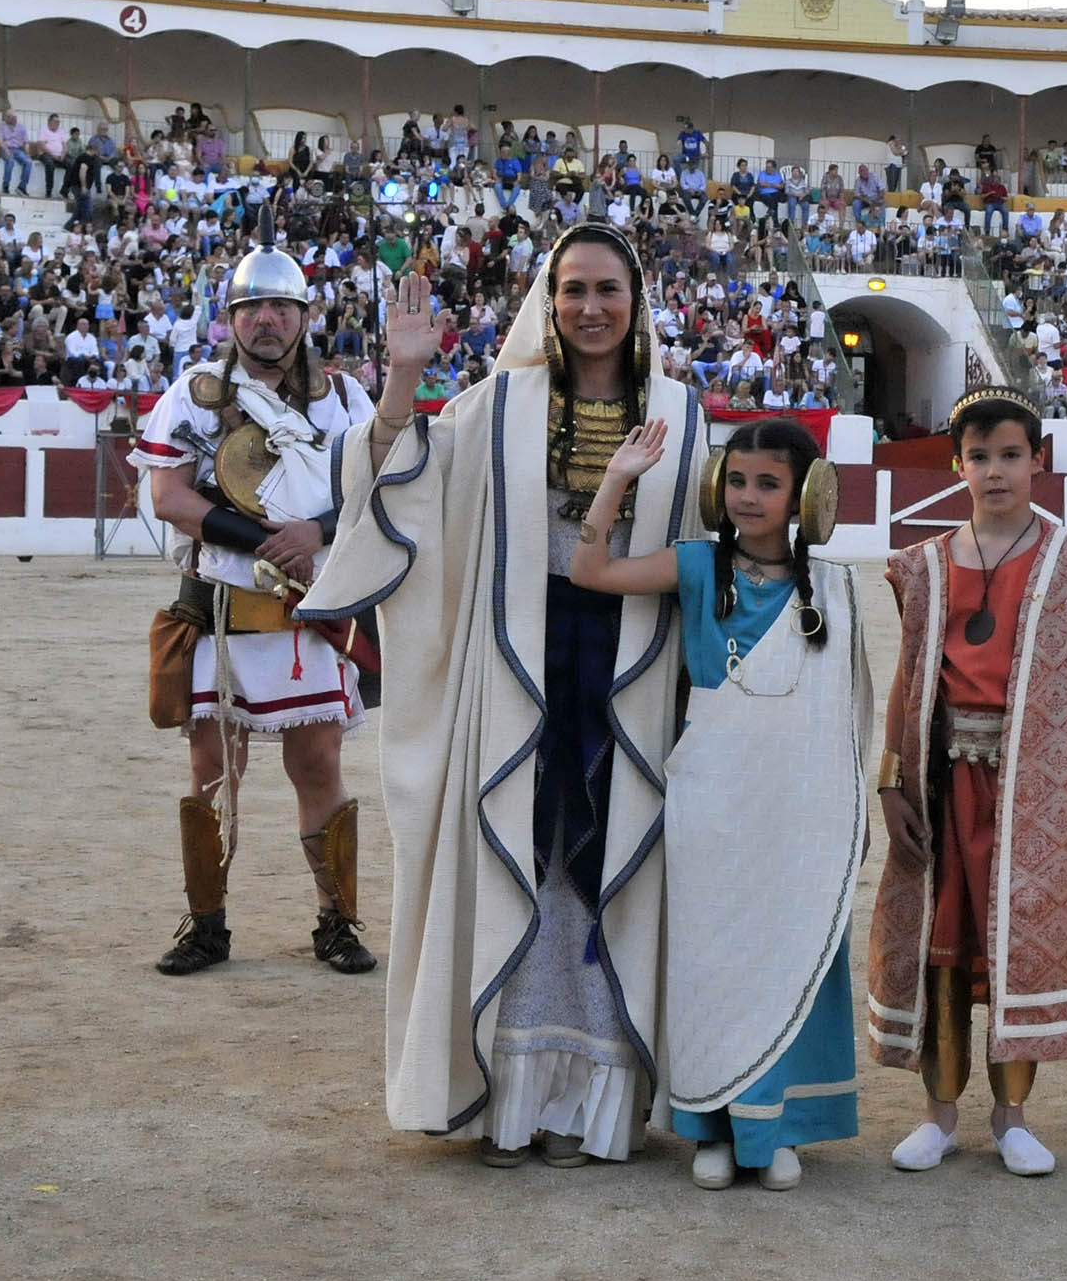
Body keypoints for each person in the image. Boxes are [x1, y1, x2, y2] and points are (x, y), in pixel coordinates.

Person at [294, 222, 705, 1166]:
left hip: (632, 670)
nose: (591, 308)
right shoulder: (495, 406)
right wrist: (403, 380)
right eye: (572, 291)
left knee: (605, 868)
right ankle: (509, 1096)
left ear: (636, 302)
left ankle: (590, 1103)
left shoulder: (682, 414)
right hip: (512, 666)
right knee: (518, 852)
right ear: (547, 303)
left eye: (608, 290)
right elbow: (397, 488)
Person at [868, 387, 1067, 1177]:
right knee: (943, 948)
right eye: (978, 457)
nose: (995, 471)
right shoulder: (923, 565)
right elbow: (908, 682)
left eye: (1010, 455)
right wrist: (892, 783)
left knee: (1020, 943)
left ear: (1036, 460)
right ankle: (938, 1116)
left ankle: (1011, 1117)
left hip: (1035, 791)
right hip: (947, 784)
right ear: (957, 464)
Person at [569, 416, 868, 1191]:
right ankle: (711, 1123)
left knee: (794, 945)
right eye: (735, 480)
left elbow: (848, 717)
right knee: (713, 956)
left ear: (805, 493)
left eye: (767, 483)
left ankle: (780, 1127)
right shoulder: (698, 566)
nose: (746, 496)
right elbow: (590, 573)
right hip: (712, 800)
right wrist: (614, 482)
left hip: (797, 810)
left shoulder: (834, 585)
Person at [132, 227, 378, 979]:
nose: (265, 320)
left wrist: (314, 531)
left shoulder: (342, 398)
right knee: (211, 774)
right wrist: (266, 537)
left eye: (279, 306)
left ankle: (337, 921)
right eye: (251, 308)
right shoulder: (194, 393)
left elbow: (373, 489)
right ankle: (206, 925)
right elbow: (168, 495)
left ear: (304, 316)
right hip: (220, 614)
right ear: (229, 319)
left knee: (318, 769)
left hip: (309, 613)